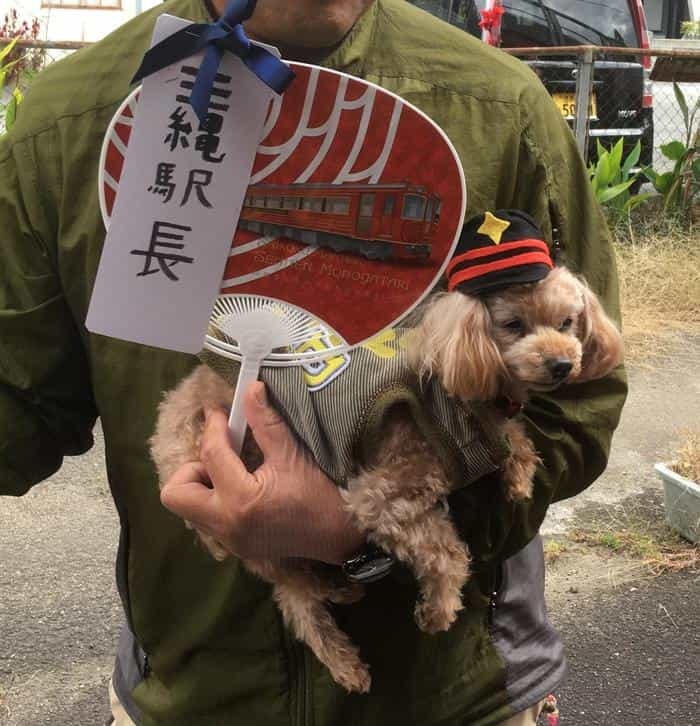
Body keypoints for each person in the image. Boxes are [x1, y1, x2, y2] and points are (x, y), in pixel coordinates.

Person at [0, 0, 627, 724]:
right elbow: (24, 407)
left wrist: (376, 523)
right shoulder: (70, 121)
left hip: (459, 697)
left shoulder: (499, 108)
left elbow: (579, 401)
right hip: (188, 692)